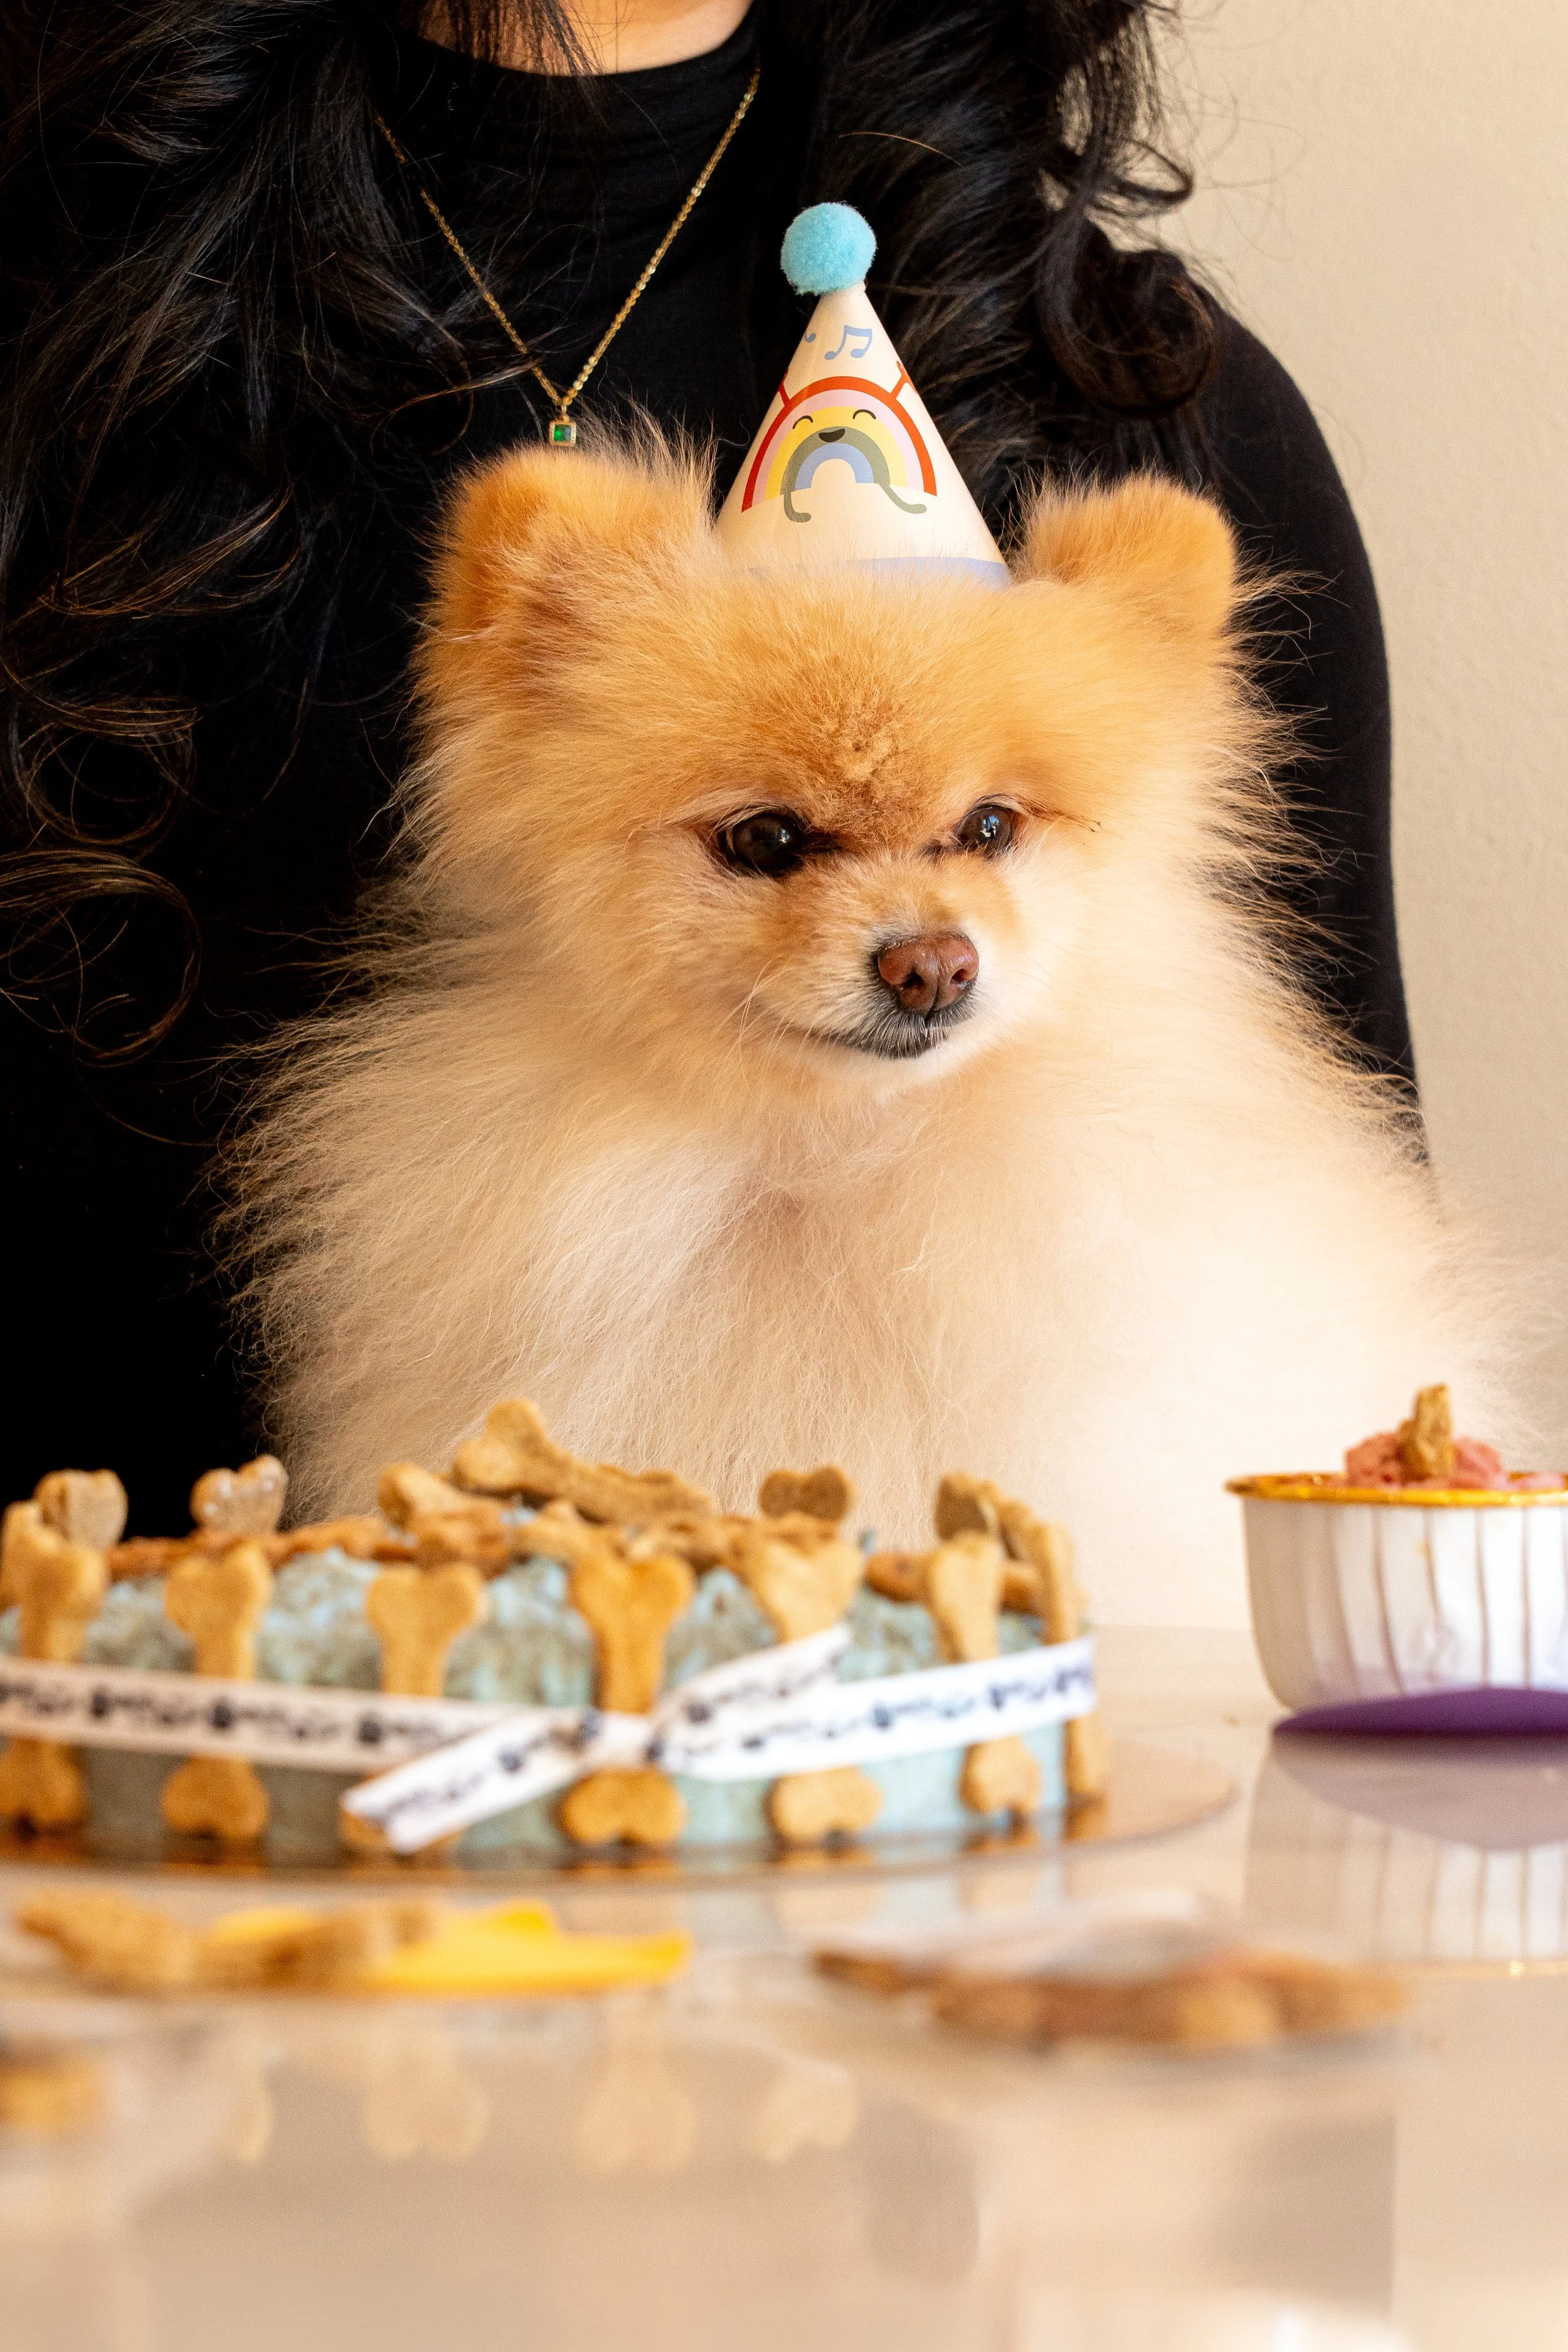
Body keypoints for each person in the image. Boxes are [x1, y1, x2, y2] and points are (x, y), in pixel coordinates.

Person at [0, 0, 1409, 1527]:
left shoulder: (1144, 396)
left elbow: (1375, 1470)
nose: (921, 942)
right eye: (765, 843)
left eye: (984, 828)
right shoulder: (49, 371)